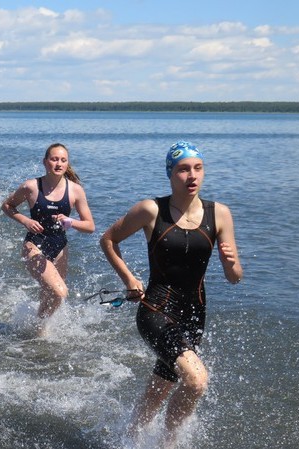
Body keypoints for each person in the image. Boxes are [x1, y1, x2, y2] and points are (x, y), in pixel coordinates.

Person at [99, 141, 243, 447]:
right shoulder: (151, 210)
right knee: (196, 380)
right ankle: (169, 443)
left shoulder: (220, 214)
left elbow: (234, 278)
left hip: (194, 315)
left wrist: (231, 264)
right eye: (183, 169)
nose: (191, 175)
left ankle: (127, 438)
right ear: (170, 174)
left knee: (162, 386)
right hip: (155, 310)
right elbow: (108, 239)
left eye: (198, 168)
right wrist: (128, 278)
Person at [1, 143, 95, 336]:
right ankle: (37, 328)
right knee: (60, 291)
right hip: (34, 245)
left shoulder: (75, 190)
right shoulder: (31, 186)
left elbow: (90, 226)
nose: (58, 163)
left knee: (52, 295)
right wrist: (25, 220)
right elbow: (7, 205)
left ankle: (36, 330)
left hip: (60, 247)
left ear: (67, 164)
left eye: (63, 160)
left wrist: (71, 222)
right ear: (45, 162)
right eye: (54, 159)